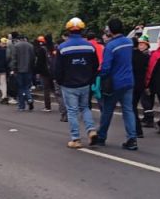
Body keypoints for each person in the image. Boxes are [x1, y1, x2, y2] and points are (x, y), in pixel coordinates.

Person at [54, 18, 100, 148]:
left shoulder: (62, 47)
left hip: (69, 85)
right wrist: (90, 78)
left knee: (72, 111)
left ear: (68, 30)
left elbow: (58, 68)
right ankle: (91, 131)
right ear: (82, 30)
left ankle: (76, 139)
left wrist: (60, 81)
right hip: (85, 83)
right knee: (85, 108)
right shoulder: (89, 46)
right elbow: (95, 65)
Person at [96, 18, 139, 150]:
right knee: (128, 110)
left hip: (114, 83)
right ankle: (132, 139)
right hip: (129, 80)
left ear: (110, 30)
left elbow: (106, 67)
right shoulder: (128, 42)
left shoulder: (111, 46)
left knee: (107, 110)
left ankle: (101, 137)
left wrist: (99, 76)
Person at [9, 33, 35, 111]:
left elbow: (14, 58)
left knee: (20, 88)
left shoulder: (16, 46)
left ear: (18, 39)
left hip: (19, 70)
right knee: (27, 86)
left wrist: (13, 69)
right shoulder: (30, 46)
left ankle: (21, 106)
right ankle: (29, 99)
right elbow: (33, 58)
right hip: (28, 69)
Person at [34, 36, 55, 111]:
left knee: (46, 90)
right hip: (52, 71)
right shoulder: (52, 48)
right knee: (55, 89)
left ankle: (47, 106)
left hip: (44, 72)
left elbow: (39, 62)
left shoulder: (41, 50)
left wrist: (37, 72)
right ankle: (63, 105)